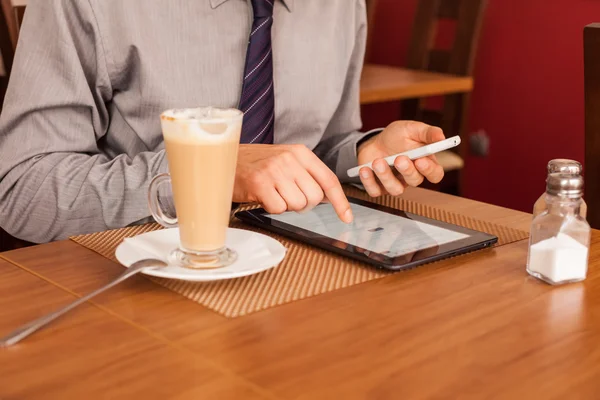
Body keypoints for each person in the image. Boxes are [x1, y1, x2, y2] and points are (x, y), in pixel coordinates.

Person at [0, 0, 445, 244]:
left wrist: (364, 152)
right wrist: (209, 173)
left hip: (303, 276)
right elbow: (23, 189)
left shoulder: (341, 6)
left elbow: (322, 142)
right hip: (140, 287)